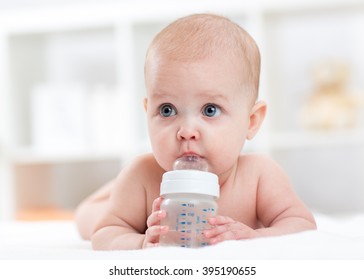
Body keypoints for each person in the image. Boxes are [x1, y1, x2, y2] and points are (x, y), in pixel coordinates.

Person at [75, 13, 316, 250]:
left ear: (251, 121)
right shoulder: (141, 176)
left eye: (210, 110)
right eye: (167, 110)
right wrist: (141, 242)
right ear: (148, 112)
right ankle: (107, 192)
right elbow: (105, 234)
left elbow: (302, 225)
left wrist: (255, 236)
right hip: (119, 197)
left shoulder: (259, 176)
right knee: (88, 219)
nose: (187, 131)